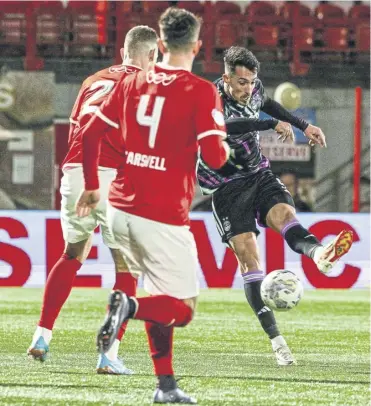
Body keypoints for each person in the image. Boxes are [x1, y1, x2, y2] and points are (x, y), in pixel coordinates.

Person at [76, 7, 229, 404]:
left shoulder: (130, 83)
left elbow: (89, 133)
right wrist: (224, 142)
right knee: (183, 308)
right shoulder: (200, 90)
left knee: (157, 294)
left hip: (119, 208)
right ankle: (126, 306)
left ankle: (165, 387)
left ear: (160, 45)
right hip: (161, 214)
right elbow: (215, 158)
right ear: (197, 46)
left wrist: (92, 186)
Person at [197, 46, 353, 366]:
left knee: (286, 216)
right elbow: (228, 128)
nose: (247, 89)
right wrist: (267, 125)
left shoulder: (253, 89)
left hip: (258, 173)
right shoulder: (210, 101)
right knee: (250, 260)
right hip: (227, 187)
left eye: (252, 82)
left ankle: (319, 254)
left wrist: (302, 125)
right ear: (226, 78)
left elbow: (266, 103)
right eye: (241, 83)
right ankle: (278, 344)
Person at [27, 26, 159, 375]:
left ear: (123, 53)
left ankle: (42, 335)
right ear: (152, 56)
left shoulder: (93, 80)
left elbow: (79, 131)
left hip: (74, 172)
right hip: (115, 176)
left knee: (72, 253)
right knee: (128, 266)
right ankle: (108, 354)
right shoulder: (148, 84)